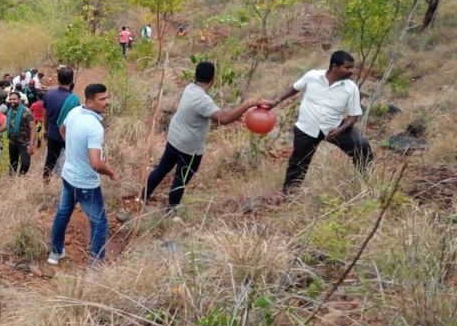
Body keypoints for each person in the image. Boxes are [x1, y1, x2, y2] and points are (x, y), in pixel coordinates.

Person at [142, 61, 269, 211]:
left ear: (196, 75)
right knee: (180, 179)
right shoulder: (203, 100)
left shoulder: (190, 88)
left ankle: (142, 196)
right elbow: (224, 118)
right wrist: (248, 104)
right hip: (189, 148)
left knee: (162, 168)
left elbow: (211, 113)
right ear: (213, 79)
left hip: (174, 137)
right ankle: (171, 210)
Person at [269, 50, 374, 194]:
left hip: (334, 128)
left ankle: (366, 185)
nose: (352, 71)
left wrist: (340, 130)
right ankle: (289, 194)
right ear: (334, 66)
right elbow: (294, 88)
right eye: (347, 67)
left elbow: (353, 117)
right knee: (298, 162)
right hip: (307, 128)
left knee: (361, 147)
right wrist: (276, 101)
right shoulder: (312, 76)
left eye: (352, 67)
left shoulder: (351, 88)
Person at [47, 83, 118, 266]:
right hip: (86, 184)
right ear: (89, 102)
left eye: (107, 97)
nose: (107, 102)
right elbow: (95, 163)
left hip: (68, 176)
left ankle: (55, 253)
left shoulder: (74, 112)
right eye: (102, 99)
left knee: (63, 213)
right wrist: (111, 173)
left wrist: (73, 148)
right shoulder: (95, 127)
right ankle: (95, 267)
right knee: (100, 223)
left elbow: (62, 130)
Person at [42, 66, 81, 182]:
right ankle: (68, 183)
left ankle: (46, 184)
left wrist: (46, 130)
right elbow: (75, 121)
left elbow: (45, 115)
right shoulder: (74, 99)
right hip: (67, 136)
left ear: (58, 80)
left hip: (52, 134)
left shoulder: (48, 94)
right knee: (71, 160)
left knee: (49, 162)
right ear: (72, 80)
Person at [6, 91, 35, 175]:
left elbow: (33, 128)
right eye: (10, 99)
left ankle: (20, 178)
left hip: (24, 143)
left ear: (19, 99)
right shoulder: (10, 111)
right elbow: (7, 124)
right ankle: (12, 182)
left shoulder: (26, 111)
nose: (12, 101)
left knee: (25, 164)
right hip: (12, 142)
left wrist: (31, 144)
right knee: (13, 164)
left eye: (14, 99)